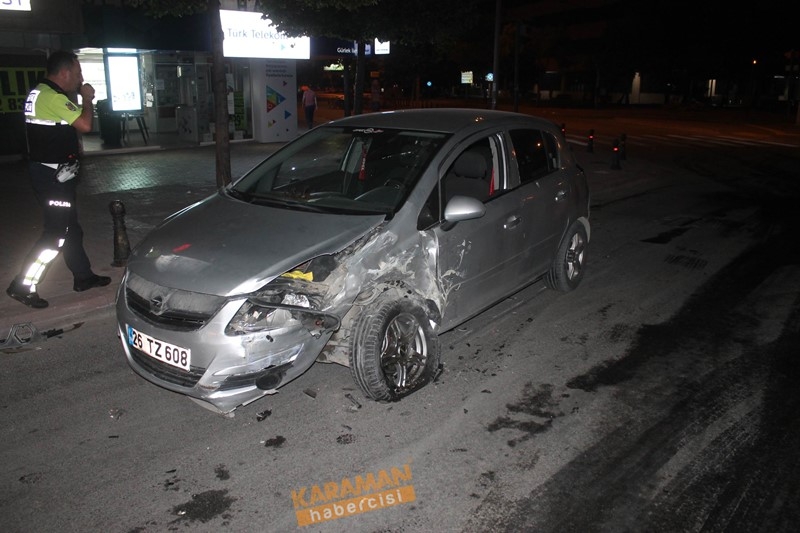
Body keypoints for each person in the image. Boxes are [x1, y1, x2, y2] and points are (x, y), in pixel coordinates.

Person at [6, 50, 110, 309]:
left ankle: (83, 276)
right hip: (52, 177)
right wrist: (87, 99)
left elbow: (64, 125)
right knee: (56, 234)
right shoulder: (52, 97)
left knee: (71, 228)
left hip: (54, 174)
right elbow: (85, 124)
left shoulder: (41, 93)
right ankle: (23, 285)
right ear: (64, 72)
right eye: (78, 72)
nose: (80, 78)